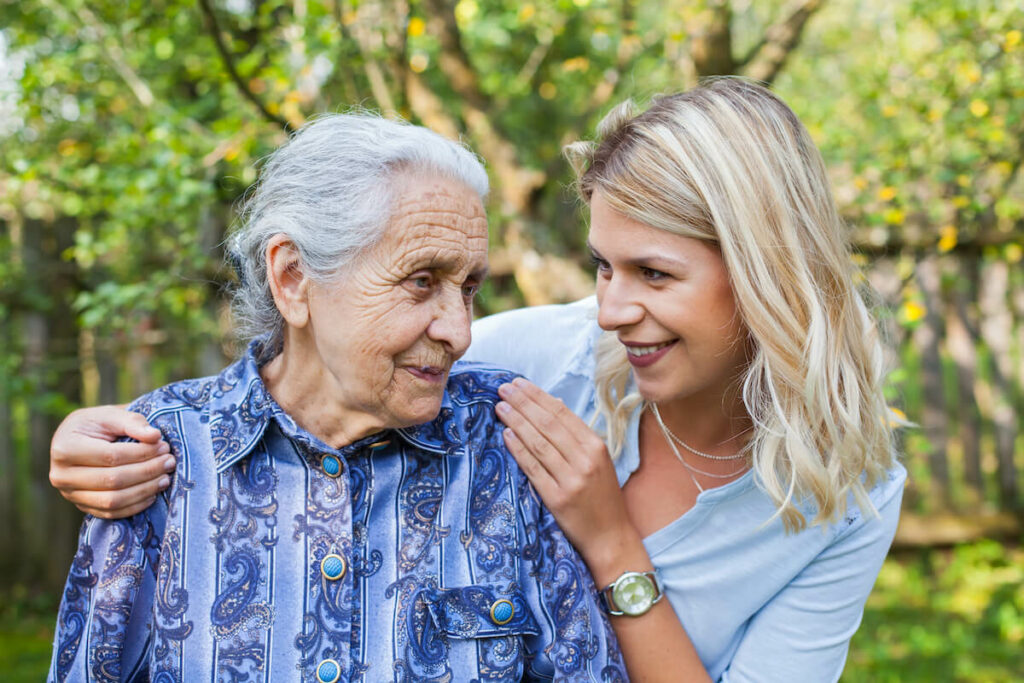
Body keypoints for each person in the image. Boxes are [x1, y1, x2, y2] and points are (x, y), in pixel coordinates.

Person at [50, 78, 905, 682]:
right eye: (603, 267)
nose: (610, 311)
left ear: (764, 275)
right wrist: (106, 434)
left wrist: (610, 545)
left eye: (653, 272)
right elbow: (328, 368)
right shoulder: (530, 363)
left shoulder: (851, 493)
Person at [47, 113, 626, 682]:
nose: (459, 331)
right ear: (294, 278)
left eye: (469, 288)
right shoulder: (164, 457)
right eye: (421, 280)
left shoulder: (506, 440)